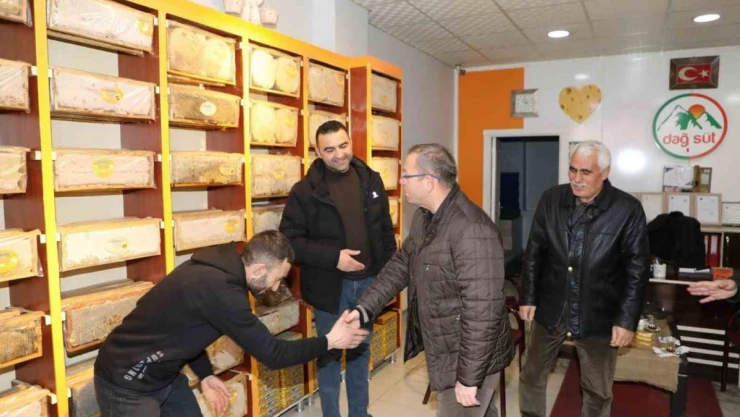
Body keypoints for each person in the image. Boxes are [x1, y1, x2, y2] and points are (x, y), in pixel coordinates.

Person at [93, 231, 369, 417]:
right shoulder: (222, 292)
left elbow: (188, 329)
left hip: (164, 374)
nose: (276, 287)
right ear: (259, 269)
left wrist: (205, 375)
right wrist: (330, 341)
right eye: (277, 279)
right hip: (126, 381)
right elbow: (274, 354)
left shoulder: (221, 268)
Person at [347, 143, 514, 417]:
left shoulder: (471, 229)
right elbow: (401, 265)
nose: (401, 181)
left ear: (428, 182)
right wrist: (364, 308)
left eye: (406, 175)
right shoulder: (425, 218)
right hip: (447, 348)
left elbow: (482, 311)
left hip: (468, 357)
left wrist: (469, 377)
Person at [518, 140, 651, 417]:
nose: (576, 178)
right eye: (572, 170)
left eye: (585, 172)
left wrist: (626, 321)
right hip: (552, 306)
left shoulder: (627, 209)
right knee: (531, 375)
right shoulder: (551, 199)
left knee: (597, 390)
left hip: (598, 313)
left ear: (604, 172)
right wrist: (528, 296)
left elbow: (637, 271)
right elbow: (534, 251)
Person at [279, 120, 397, 417]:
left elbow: (385, 230)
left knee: (361, 351)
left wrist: (388, 277)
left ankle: (360, 413)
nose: (339, 154)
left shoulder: (371, 180)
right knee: (329, 354)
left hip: (369, 284)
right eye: (329, 149)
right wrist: (334, 257)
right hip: (330, 288)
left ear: (351, 142)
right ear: (317, 151)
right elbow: (289, 241)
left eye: (343, 145)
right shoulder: (304, 191)